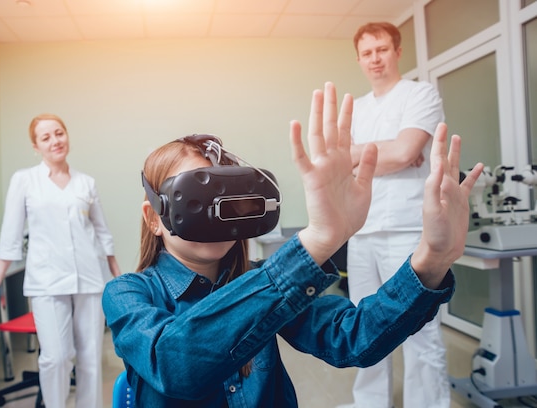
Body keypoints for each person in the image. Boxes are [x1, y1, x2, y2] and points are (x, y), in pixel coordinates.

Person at [102, 81, 483, 408]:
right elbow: (175, 365)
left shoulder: (255, 282)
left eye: (227, 202)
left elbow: (352, 337)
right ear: (154, 217)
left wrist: (431, 259)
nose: (216, 217)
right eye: (197, 202)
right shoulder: (126, 294)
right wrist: (315, 243)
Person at [0, 113, 121, 408]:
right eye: (46, 137)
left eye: (59, 133)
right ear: (35, 146)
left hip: (89, 279)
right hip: (47, 281)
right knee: (55, 357)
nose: (55, 141)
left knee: (90, 357)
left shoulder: (86, 183)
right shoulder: (25, 181)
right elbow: (11, 234)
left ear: (67, 135)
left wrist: (118, 278)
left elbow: (103, 234)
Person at [341, 22, 448, 408]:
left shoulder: (420, 94)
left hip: (406, 229)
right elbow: (343, 164)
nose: (375, 59)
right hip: (362, 228)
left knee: (421, 329)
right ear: (358, 59)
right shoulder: (357, 108)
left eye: (382, 49)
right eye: (367, 53)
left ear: (397, 51)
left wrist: (374, 154)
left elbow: (404, 153)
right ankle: (370, 403)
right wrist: (390, 151)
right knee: (365, 327)